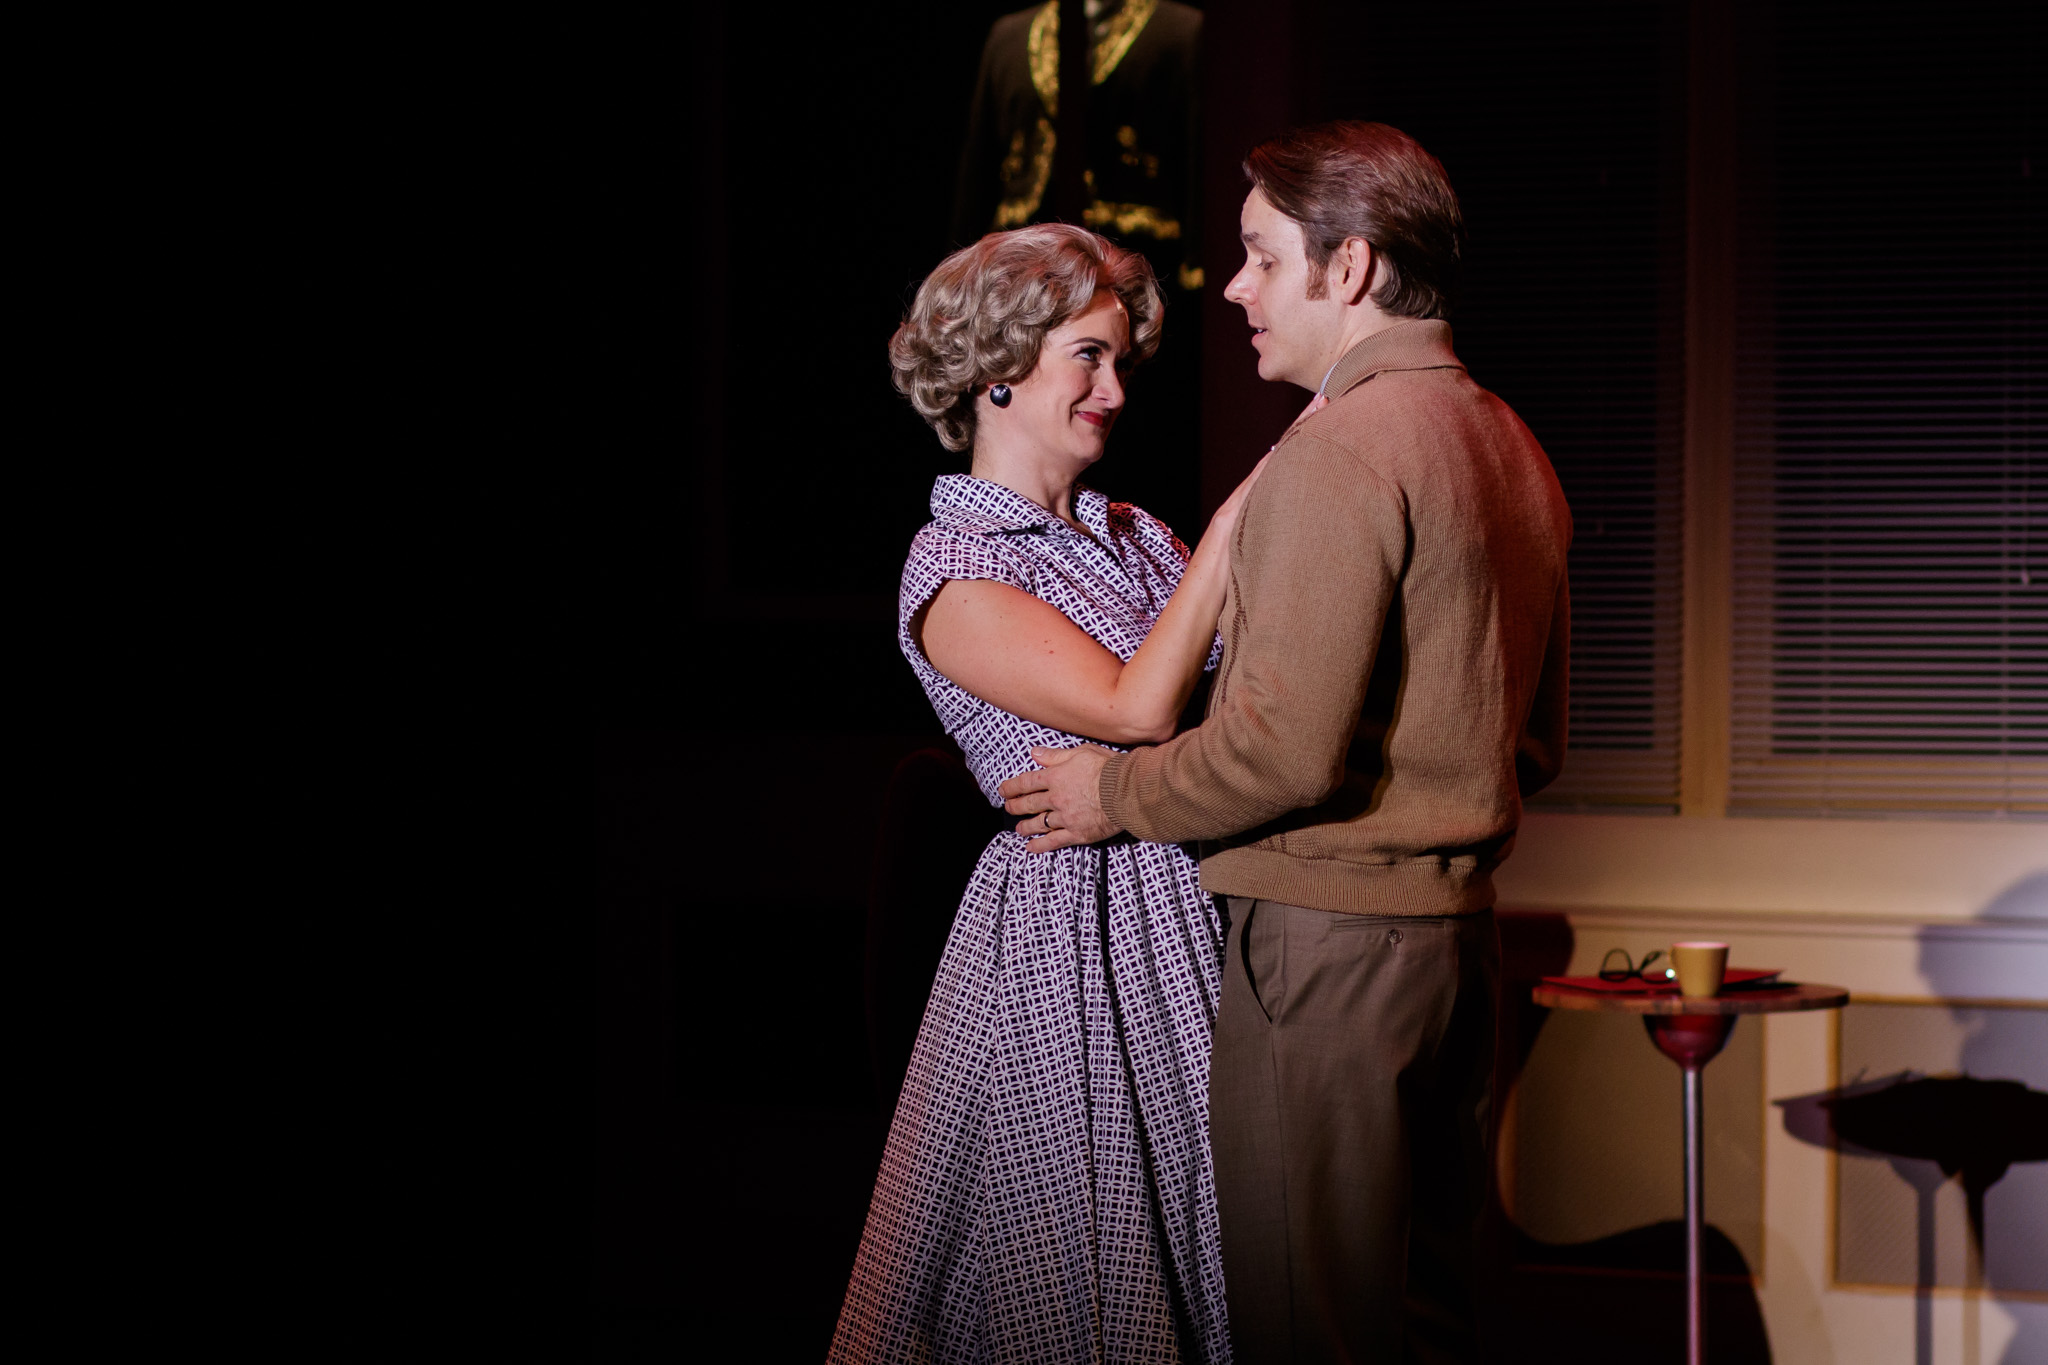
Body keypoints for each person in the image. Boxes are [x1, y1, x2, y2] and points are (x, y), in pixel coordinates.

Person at [999, 122, 1573, 1363]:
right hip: (1455, 946)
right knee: (1424, 1319)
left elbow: (1279, 754)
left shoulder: (1341, 447)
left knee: (1308, 1327)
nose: (1235, 288)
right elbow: (1536, 741)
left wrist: (1114, 793)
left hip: (1327, 954)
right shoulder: (1508, 443)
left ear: (1348, 265)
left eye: (1261, 257)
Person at [830, 223, 1279, 1364]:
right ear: (996, 364)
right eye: (1088, 355)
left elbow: (1241, 707)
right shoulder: (954, 567)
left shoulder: (1134, 535)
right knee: (1081, 1272)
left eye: (1120, 361)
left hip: (1188, 903)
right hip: (1065, 935)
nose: (1114, 389)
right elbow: (1138, 708)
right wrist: (1236, 528)